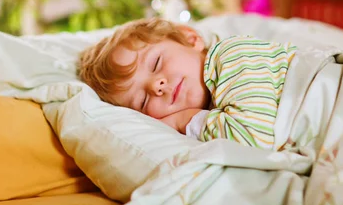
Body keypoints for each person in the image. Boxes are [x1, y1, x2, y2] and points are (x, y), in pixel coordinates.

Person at [78, 17, 296, 149]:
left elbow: (253, 140)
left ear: (190, 39)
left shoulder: (232, 55)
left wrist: (183, 120)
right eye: (143, 100)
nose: (157, 86)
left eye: (156, 63)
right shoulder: (215, 115)